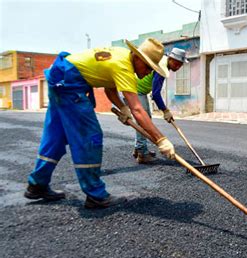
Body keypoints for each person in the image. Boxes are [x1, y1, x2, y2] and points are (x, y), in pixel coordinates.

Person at [24, 38, 176, 208]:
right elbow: (139, 110)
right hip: (69, 85)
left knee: (56, 137)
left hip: (59, 77)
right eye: (148, 67)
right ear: (138, 57)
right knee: (90, 137)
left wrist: (122, 108)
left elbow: (109, 87)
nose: (149, 72)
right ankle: (95, 194)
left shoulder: (122, 55)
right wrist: (161, 139)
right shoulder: (124, 67)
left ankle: (37, 184)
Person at [131, 47, 188, 164]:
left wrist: (164, 111)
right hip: (134, 90)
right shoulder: (161, 68)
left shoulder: (163, 63)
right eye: (176, 63)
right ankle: (142, 153)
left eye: (180, 65)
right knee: (144, 120)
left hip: (138, 90)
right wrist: (165, 111)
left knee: (144, 120)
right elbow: (156, 94)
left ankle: (139, 148)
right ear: (170, 59)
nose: (177, 67)